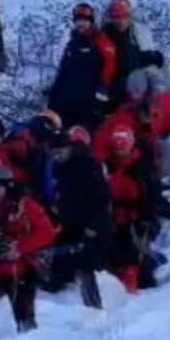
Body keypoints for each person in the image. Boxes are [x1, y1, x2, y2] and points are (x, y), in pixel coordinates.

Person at [0, 166, 54, 332]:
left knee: (24, 316)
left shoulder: (25, 206)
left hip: (22, 270)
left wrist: (20, 248)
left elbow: (46, 232)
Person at [92, 67, 170, 178]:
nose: (134, 96)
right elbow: (109, 129)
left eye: (137, 91)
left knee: (166, 147)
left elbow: (151, 136)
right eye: (131, 92)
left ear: (144, 89)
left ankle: (167, 177)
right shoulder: (132, 107)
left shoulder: (156, 104)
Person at [46, 126, 112, 308]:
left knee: (87, 263)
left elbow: (102, 198)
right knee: (60, 261)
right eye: (54, 150)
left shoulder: (87, 165)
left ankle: (94, 306)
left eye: (60, 149)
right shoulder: (61, 168)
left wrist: (94, 226)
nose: (57, 153)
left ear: (70, 147)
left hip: (92, 226)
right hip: (70, 224)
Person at [103, 126, 159, 293]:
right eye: (117, 150)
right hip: (113, 216)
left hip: (136, 218)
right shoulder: (108, 166)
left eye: (122, 149)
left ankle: (131, 288)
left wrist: (146, 218)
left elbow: (151, 195)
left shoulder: (142, 168)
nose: (120, 153)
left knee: (132, 254)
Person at [46, 3, 118, 132]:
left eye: (84, 21)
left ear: (90, 22)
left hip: (89, 103)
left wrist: (100, 98)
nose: (80, 24)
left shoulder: (101, 41)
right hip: (67, 101)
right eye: (78, 21)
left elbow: (109, 70)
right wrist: (53, 94)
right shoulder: (72, 44)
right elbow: (63, 71)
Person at [101, 0, 163, 108]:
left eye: (123, 17)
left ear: (129, 16)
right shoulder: (105, 36)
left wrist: (153, 58)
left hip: (134, 89)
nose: (120, 21)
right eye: (116, 17)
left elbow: (145, 61)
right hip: (111, 90)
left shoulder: (137, 34)